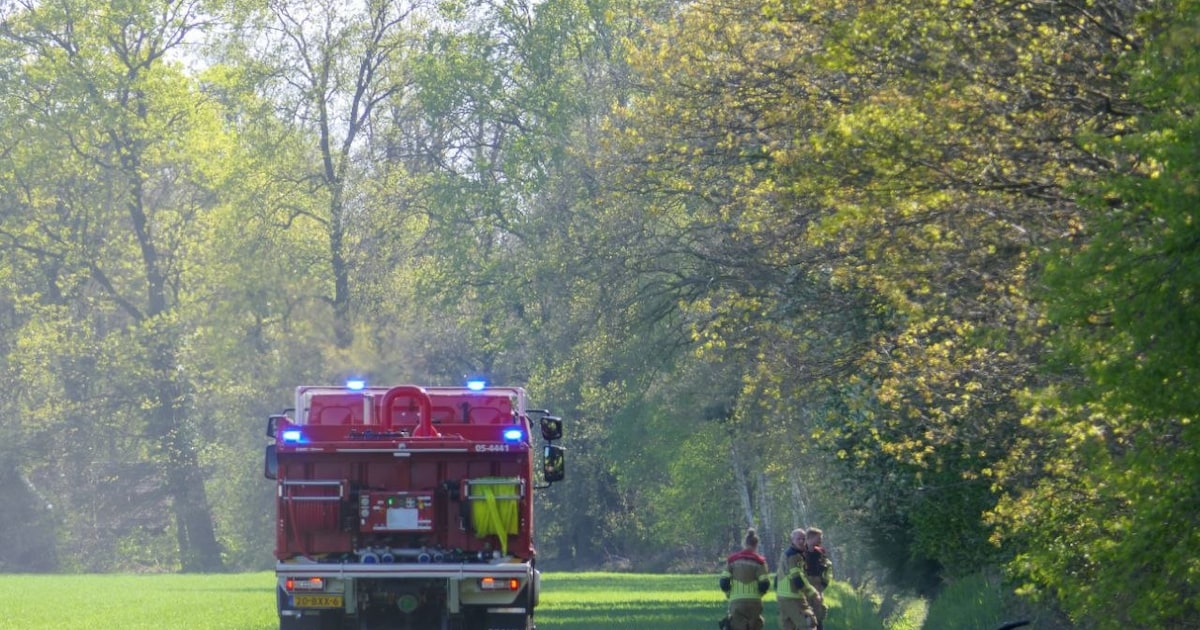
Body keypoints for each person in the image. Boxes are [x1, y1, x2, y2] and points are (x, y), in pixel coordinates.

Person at [719, 528, 771, 630]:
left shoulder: (732, 560)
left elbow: (724, 582)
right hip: (754, 601)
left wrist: (729, 593)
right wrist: (760, 594)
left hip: (736, 601)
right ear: (756, 545)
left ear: (744, 543)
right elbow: (764, 584)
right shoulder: (760, 562)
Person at [776, 528, 820, 630]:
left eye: (803, 539)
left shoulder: (787, 553)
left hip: (782, 598)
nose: (801, 541)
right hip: (794, 597)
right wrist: (813, 593)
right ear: (792, 540)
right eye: (798, 539)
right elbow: (798, 578)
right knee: (809, 623)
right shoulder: (794, 556)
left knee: (789, 626)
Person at [804, 527, 834, 630]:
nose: (820, 541)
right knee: (805, 614)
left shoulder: (820, 553)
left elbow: (828, 568)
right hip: (804, 587)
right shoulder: (801, 553)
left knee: (819, 613)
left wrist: (824, 583)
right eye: (819, 538)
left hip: (817, 586)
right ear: (810, 538)